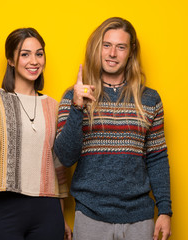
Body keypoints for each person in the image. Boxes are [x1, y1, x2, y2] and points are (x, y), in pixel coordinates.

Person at [54, 17, 172, 240]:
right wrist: (77, 107)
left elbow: (157, 158)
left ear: (131, 51)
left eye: (120, 47)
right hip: (90, 216)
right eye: (106, 45)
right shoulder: (74, 96)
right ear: (98, 48)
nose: (112, 54)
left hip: (140, 218)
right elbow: (65, 157)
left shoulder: (149, 98)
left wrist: (165, 210)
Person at [0, 28, 72, 240]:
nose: (34, 61)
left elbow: (58, 164)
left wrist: (61, 217)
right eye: (25, 54)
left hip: (47, 210)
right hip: (4, 209)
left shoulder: (53, 106)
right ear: (11, 61)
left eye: (39, 54)